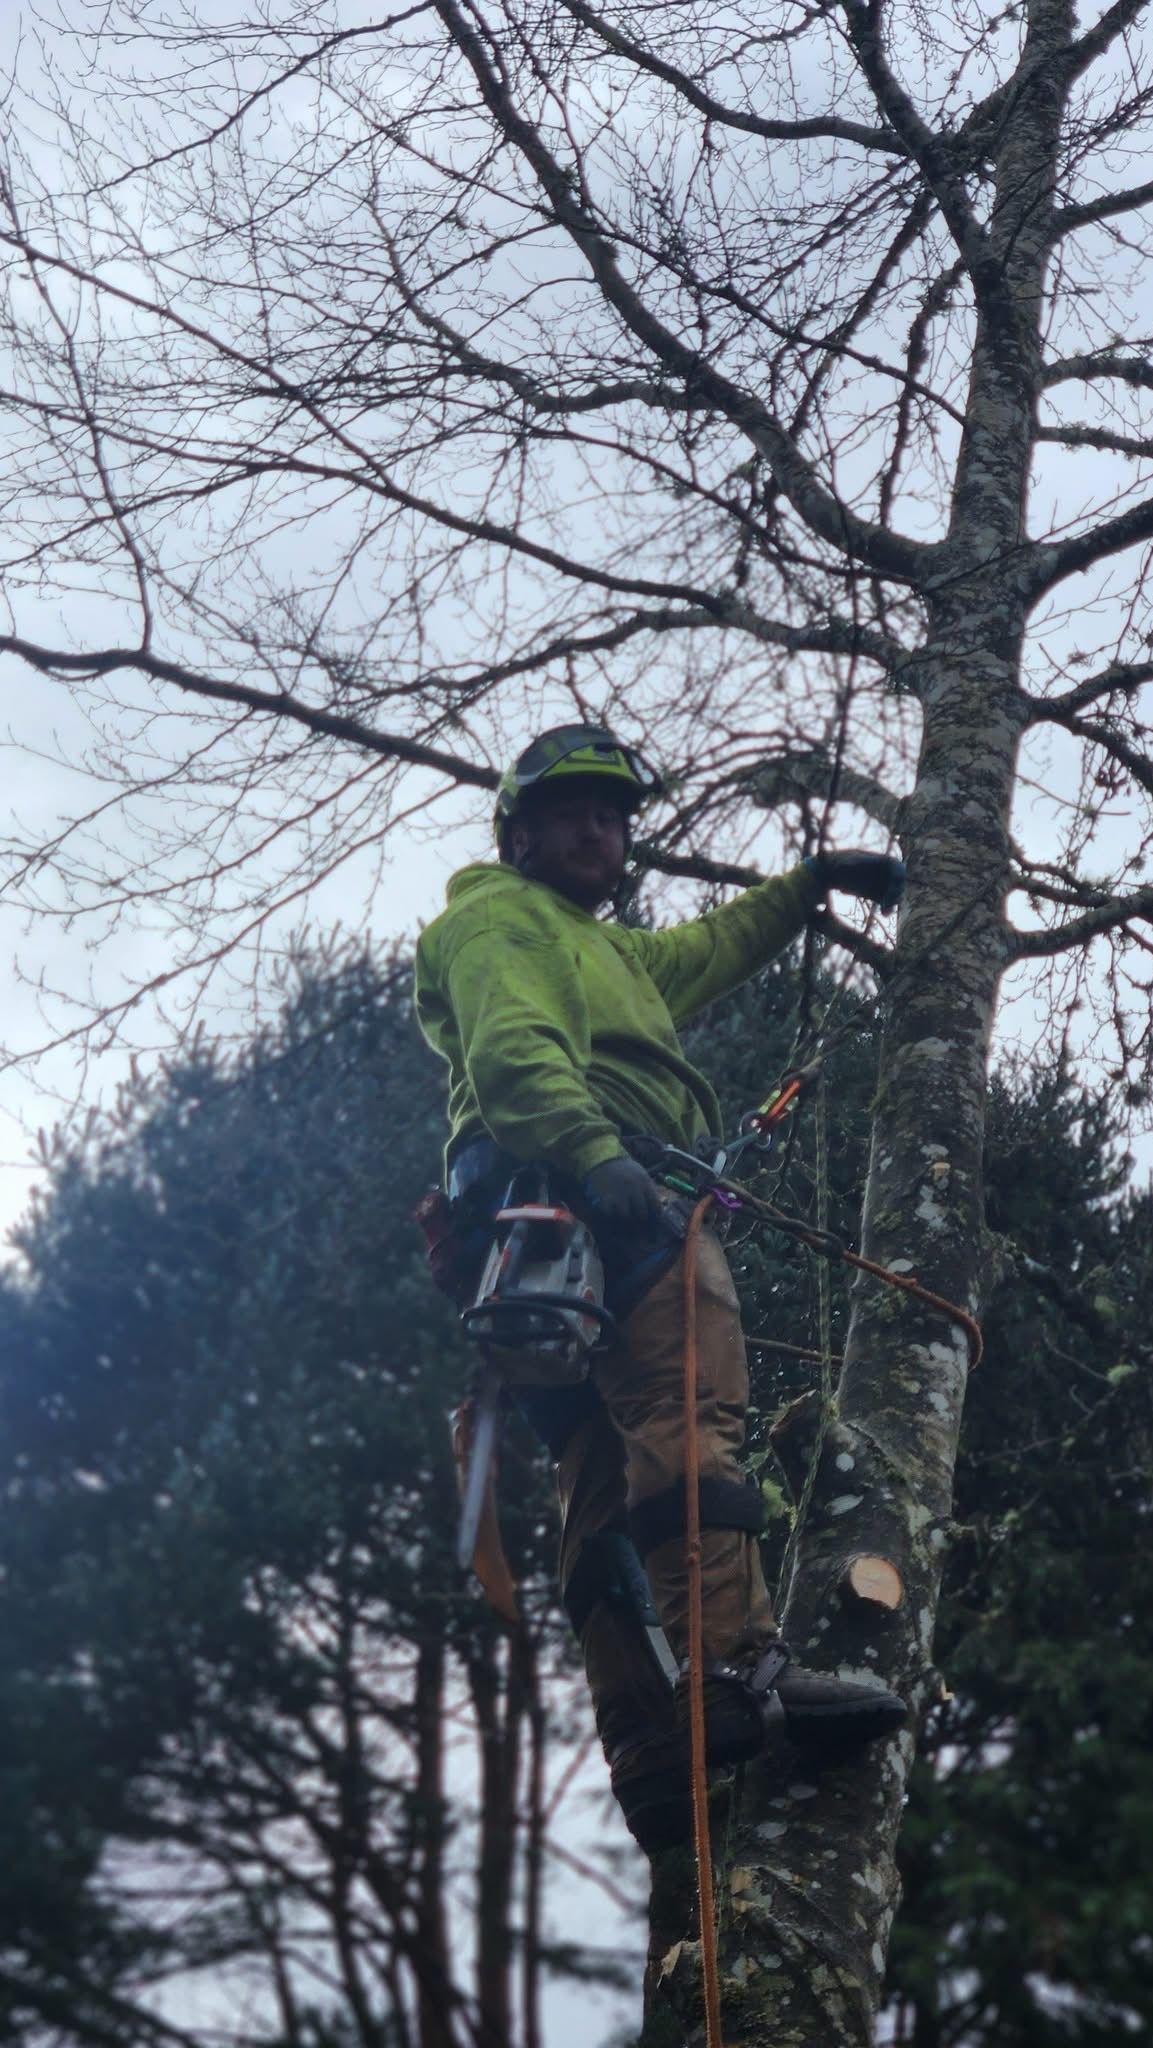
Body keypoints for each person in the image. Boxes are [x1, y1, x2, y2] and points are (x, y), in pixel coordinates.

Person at [414, 724, 909, 1851]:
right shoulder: (496, 919)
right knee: (688, 1406)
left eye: (616, 812)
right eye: (578, 811)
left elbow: (709, 946)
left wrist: (810, 884)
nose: (603, 829)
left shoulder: (609, 951)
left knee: (596, 1470)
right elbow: (514, 1052)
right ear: (519, 830)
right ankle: (736, 1669)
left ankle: (647, 1745)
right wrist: (598, 1156)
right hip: (592, 1190)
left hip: (552, 1216)